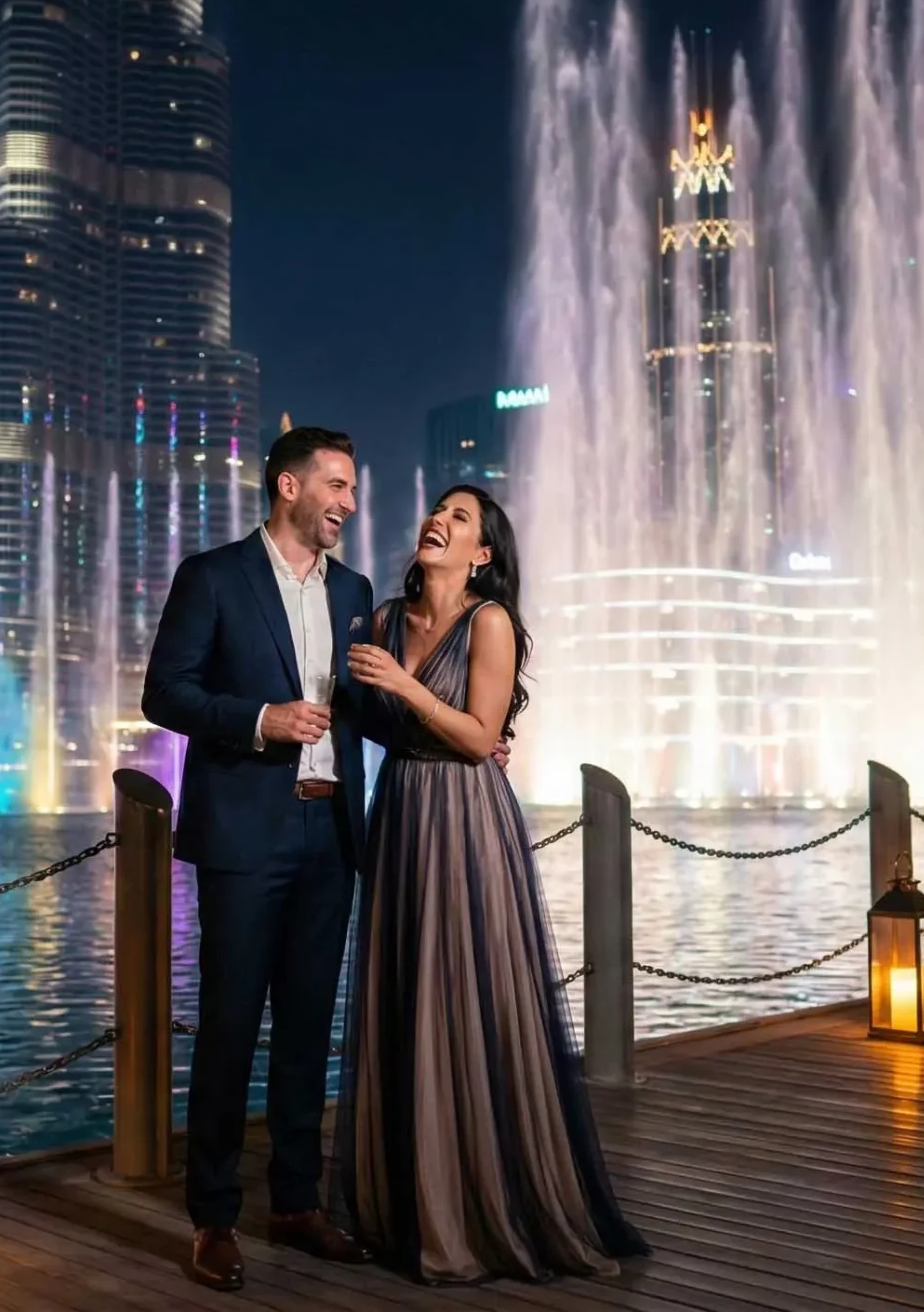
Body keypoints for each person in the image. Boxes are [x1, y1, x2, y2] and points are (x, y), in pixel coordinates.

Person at [335, 483, 648, 1284]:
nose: (440, 519)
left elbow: (478, 738)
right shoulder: (380, 622)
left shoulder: (490, 620)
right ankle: (405, 1202)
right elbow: (373, 724)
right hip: (401, 809)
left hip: (467, 818)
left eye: (461, 517)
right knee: (407, 994)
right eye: (439, 509)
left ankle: (484, 1203)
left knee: (468, 995)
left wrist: (406, 688)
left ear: (482, 553)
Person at [141, 427, 377, 1291]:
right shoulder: (212, 575)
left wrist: (471, 735)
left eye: (353, 489)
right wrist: (260, 720)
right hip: (244, 836)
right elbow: (164, 690)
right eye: (339, 486)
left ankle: (296, 1202)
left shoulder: (354, 590)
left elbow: (367, 707)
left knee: (309, 1031)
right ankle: (213, 1217)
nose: (350, 503)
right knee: (233, 1027)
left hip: (330, 836)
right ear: (289, 486)